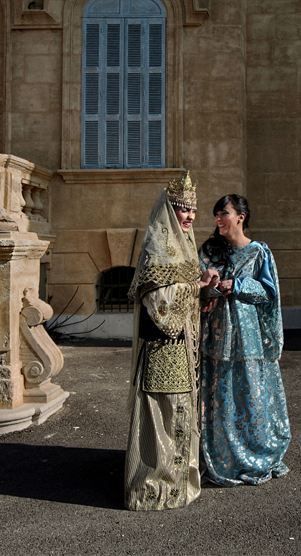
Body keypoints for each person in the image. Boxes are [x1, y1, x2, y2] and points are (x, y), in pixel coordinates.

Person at [124, 172, 219, 510]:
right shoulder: (157, 247)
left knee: (179, 413)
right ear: (169, 211)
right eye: (182, 210)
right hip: (163, 346)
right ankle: (155, 487)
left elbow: (185, 295)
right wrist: (197, 286)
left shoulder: (183, 247)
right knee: (163, 415)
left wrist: (204, 290)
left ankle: (177, 483)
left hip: (182, 346)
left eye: (193, 211)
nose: (189, 217)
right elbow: (160, 304)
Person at [198, 194, 291, 486]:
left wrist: (236, 285)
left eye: (224, 213)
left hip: (248, 335)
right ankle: (222, 455)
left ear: (241, 216)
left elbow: (268, 293)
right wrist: (210, 285)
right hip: (216, 332)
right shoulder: (209, 250)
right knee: (220, 391)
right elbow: (197, 288)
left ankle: (252, 452)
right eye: (216, 214)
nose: (219, 219)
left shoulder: (259, 252)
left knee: (249, 390)